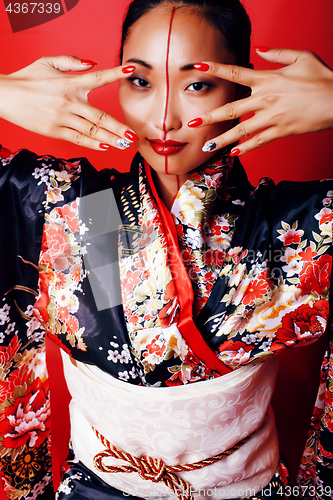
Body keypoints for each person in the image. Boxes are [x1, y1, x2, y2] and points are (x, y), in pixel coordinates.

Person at [0, 0, 332, 499]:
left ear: (242, 88)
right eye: (140, 81)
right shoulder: (80, 209)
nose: (163, 117)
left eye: (197, 84)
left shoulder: (295, 224)